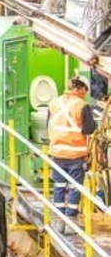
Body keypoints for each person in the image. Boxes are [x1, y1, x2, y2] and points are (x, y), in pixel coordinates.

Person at [48, 75, 97, 230]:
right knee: (75, 188)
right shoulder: (82, 105)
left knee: (59, 186)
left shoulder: (54, 103)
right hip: (76, 155)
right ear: (80, 89)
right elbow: (89, 129)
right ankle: (71, 221)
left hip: (57, 153)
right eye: (85, 91)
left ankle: (59, 221)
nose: (85, 94)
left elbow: (49, 124)